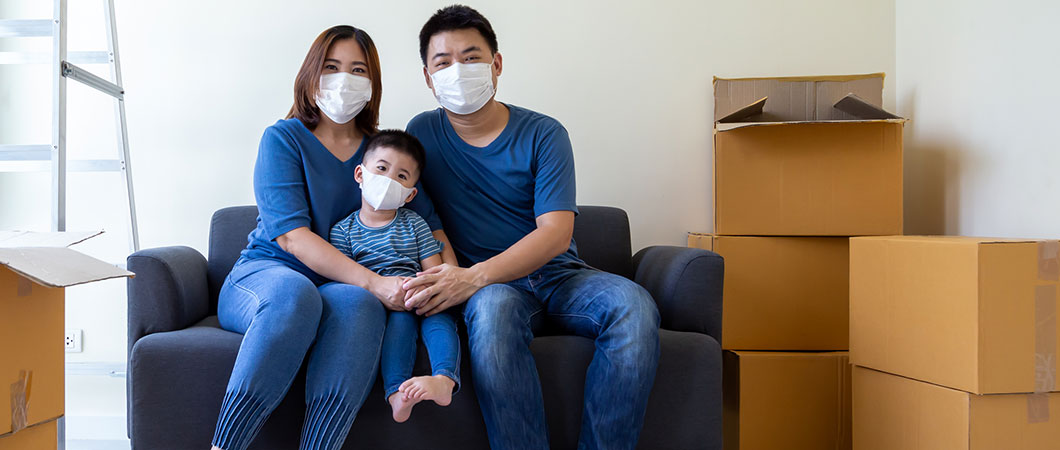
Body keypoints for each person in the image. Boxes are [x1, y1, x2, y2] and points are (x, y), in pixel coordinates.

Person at [402, 5, 661, 450]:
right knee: (493, 313)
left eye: (471, 57)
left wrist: (473, 276)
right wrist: (455, 277)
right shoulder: (420, 134)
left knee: (634, 306)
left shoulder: (544, 133)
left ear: (496, 64)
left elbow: (556, 232)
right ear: (427, 76)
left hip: (560, 275)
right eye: (443, 62)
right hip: (494, 292)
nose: (457, 71)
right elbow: (431, 226)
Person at [210, 25, 456, 450]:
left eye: (358, 70)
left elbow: (431, 224)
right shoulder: (283, 138)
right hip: (268, 275)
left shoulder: (380, 154)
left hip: (336, 287)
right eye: (331, 67)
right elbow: (291, 238)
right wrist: (375, 281)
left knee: (360, 304)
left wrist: (447, 281)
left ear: (373, 84)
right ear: (311, 74)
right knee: (296, 293)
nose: (344, 79)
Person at [328, 130, 460, 424]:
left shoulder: (415, 224)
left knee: (440, 319)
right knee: (399, 327)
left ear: (411, 193)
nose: (389, 180)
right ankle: (396, 395)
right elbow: (344, 279)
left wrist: (424, 293)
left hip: (418, 294)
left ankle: (444, 380)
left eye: (401, 176)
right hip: (381, 302)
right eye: (382, 168)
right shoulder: (343, 231)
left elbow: (434, 269)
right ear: (360, 174)